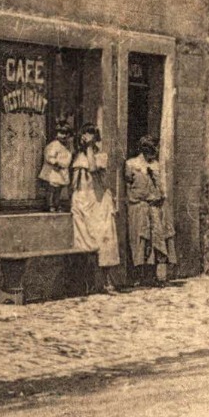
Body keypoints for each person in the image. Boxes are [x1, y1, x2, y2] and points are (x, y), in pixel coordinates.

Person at [70, 124, 120, 293]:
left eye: (91, 134)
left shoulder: (101, 156)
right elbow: (73, 181)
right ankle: (86, 283)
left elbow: (92, 168)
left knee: (104, 239)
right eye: (85, 133)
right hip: (81, 199)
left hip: (98, 201)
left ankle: (106, 281)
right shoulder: (77, 155)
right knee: (83, 240)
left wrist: (90, 148)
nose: (87, 137)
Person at [125, 136, 171, 285]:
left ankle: (154, 276)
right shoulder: (131, 164)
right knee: (139, 239)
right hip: (138, 207)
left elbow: (161, 188)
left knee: (156, 239)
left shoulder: (156, 166)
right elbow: (128, 185)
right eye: (153, 149)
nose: (155, 153)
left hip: (154, 207)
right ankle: (138, 276)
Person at [39, 118, 74, 212]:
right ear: (56, 134)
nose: (64, 136)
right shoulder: (54, 145)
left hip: (63, 170)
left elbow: (69, 156)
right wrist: (55, 162)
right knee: (52, 188)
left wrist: (67, 164)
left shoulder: (68, 146)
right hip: (54, 170)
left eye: (66, 133)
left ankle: (57, 204)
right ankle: (50, 204)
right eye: (61, 133)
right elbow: (49, 155)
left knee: (59, 190)